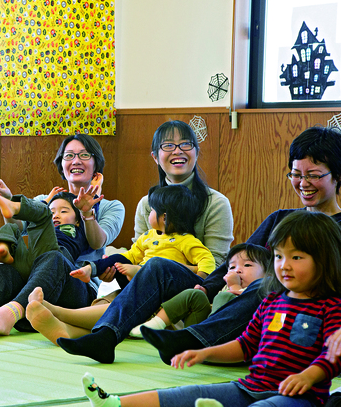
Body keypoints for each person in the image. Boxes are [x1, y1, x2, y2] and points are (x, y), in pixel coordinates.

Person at [80, 210, 341, 407]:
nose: (284, 265)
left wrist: (307, 376)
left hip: (296, 398)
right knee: (188, 394)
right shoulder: (271, 301)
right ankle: (114, 402)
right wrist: (204, 353)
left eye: (296, 257)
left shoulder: (330, 308)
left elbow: (333, 357)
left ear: (324, 260)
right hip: (250, 386)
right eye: (280, 256)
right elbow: (245, 345)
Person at [26, 120, 233, 362]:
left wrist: (151, 271)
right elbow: (138, 252)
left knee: (155, 268)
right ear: (155, 157)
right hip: (147, 282)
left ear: (196, 152)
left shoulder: (215, 203)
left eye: (185, 144)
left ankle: (61, 313)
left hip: (195, 288)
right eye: (168, 145)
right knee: (127, 288)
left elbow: (216, 267)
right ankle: (70, 332)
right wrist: (112, 267)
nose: (177, 151)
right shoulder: (147, 204)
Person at [141, 125, 341, 363]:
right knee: (157, 265)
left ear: (337, 175)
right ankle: (109, 333)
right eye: (296, 175)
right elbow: (238, 258)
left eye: (314, 175)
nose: (303, 183)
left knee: (269, 284)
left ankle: (194, 340)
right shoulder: (280, 219)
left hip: (307, 314)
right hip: (251, 304)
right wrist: (207, 287)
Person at [0, 133, 125, 336]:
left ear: (96, 163)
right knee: (6, 271)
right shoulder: (44, 200)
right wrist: (8, 199)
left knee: (54, 256)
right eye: (69, 156)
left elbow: (98, 240)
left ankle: (11, 313)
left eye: (83, 155)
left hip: (77, 286)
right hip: (33, 281)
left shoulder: (111, 207)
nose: (75, 161)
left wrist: (87, 214)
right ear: (61, 164)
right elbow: (19, 229)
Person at [0, 190, 93, 333]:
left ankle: (11, 313)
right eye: (52, 211)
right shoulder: (43, 233)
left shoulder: (78, 231)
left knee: (51, 252)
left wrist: (45, 206)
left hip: (62, 269)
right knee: (11, 233)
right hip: (36, 264)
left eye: (64, 211)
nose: (56, 215)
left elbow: (43, 219)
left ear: (78, 220)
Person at [70, 184, 215, 288]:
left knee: (154, 265)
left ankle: (139, 272)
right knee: (119, 258)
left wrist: (200, 278)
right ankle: (91, 269)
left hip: (165, 285)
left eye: (152, 211)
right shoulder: (148, 236)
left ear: (164, 217)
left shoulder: (185, 240)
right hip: (136, 282)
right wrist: (111, 263)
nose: (149, 214)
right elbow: (133, 255)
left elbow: (206, 258)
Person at [130, 243, 268, 337]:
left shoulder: (262, 291)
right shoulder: (228, 285)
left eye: (248, 265)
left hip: (226, 340)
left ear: (268, 273)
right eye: (232, 267)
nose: (237, 270)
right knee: (194, 295)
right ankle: (155, 325)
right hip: (203, 333)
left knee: (223, 298)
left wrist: (235, 288)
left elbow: (236, 313)